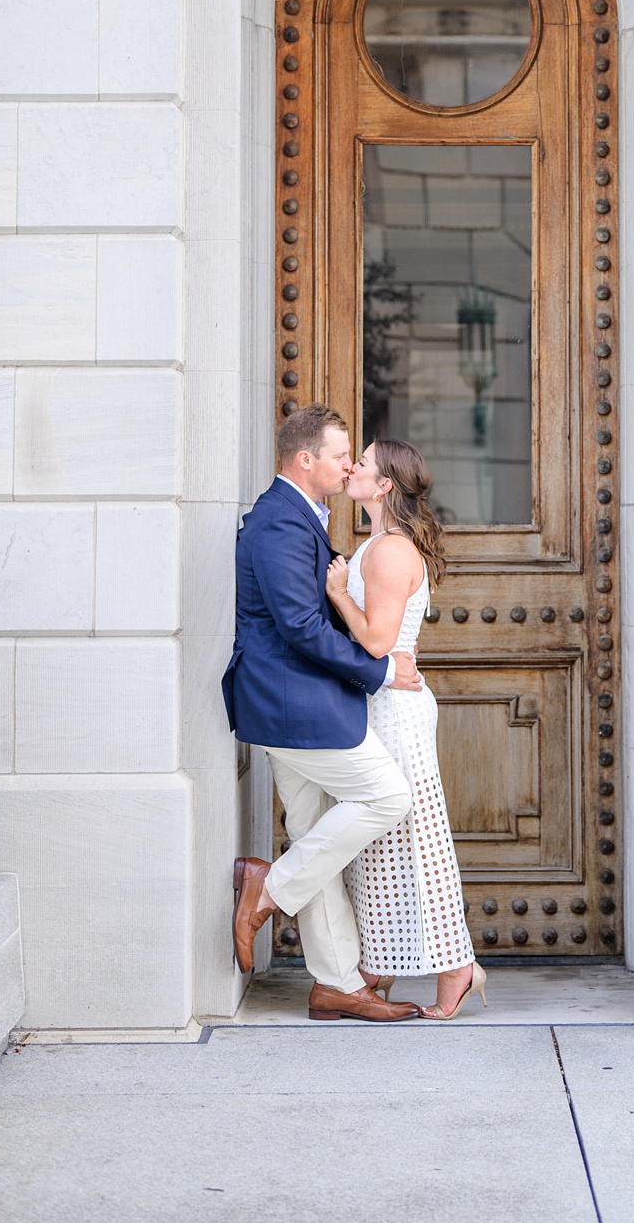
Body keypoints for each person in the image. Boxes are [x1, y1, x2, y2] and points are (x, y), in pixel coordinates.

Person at [226, 403, 425, 1022]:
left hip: (296, 702)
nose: (349, 465)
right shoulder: (281, 523)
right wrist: (381, 669)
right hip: (295, 705)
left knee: (313, 835)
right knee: (388, 798)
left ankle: (336, 983)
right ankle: (270, 887)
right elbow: (301, 626)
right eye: (342, 455)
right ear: (303, 459)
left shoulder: (301, 516)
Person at [324, 439, 487, 1020]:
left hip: (397, 709)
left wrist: (339, 595)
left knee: (417, 838)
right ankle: (378, 965)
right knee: (377, 842)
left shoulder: (389, 552)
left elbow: (376, 641)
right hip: (381, 701)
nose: (352, 468)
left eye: (362, 463)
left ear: (385, 484)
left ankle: (454, 968)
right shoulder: (379, 544)